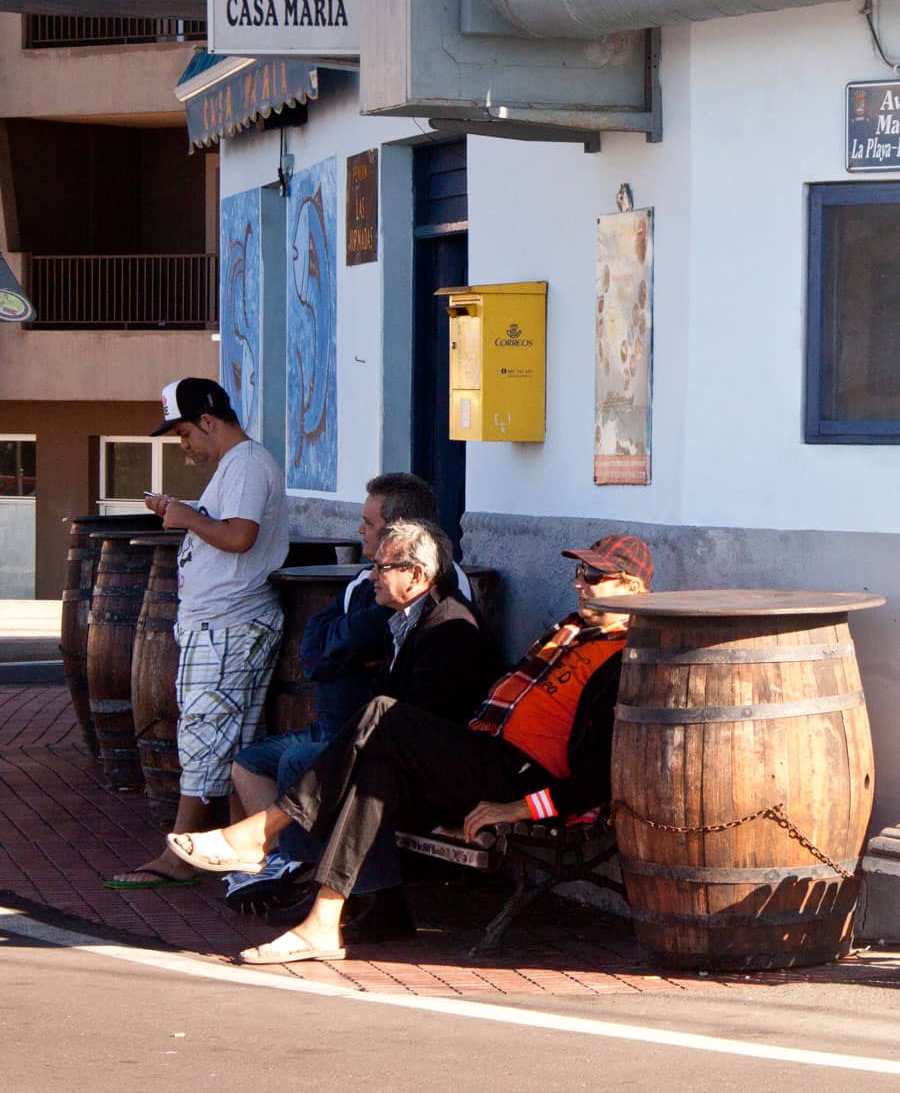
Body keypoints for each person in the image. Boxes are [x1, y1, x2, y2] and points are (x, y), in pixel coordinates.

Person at [166, 534, 653, 963]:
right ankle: (323, 922)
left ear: (633, 588)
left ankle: (264, 831)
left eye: (594, 575)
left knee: (383, 714)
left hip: (521, 779)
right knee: (375, 769)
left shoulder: (625, 660)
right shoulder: (568, 632)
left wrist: (516, 809)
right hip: (484, 757)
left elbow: (597, 775)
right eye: (579, 572)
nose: (580, 583)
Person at [227, 517, 499, 936]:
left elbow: (422, 722)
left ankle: (339, 887)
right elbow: (323, 647)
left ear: (417, 574)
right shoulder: (408, 618)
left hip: (446, 779)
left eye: (382, 568)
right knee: (322, 761)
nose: (371, 575)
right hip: (415, 761)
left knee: (359, 773)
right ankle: (330, 884)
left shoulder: (450, 629)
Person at [105, 376, 289, 889]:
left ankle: (180, 854)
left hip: (229, 620)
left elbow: (239, 535)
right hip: (222, 620)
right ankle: (233, 846)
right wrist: (181, 512)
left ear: (209, 421)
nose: (183, 445)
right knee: (228, 743)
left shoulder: (248, 465)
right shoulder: (238, 466)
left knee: (205, 737)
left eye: (185, 433)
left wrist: (184, 516)